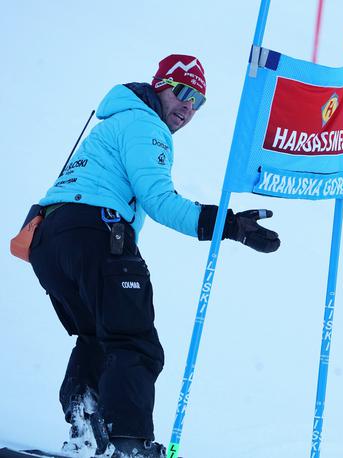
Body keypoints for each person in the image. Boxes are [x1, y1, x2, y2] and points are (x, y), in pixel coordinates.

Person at [28, 54, 280, 458]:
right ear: (159, 85)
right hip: (96, 231)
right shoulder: (147, 125)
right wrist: (229, 225)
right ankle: (129, 445)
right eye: (181, 92)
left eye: (198, 101)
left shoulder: (113, 124)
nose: (187, 107)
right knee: (135, 342)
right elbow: (160, 202)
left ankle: (85, 429)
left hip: (50, 242)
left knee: (98, 337)